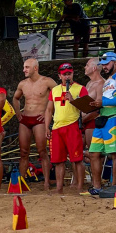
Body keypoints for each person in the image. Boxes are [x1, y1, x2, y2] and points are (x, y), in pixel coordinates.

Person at [44, 63, 88, 195]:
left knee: (77, 159)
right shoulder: (55, 90)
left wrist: (73, 99)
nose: (67, 76)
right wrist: (47, 127)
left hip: (72, 125)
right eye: (64, 74)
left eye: (69, 73)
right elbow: (49, 109)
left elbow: (86, 108)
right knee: (58, 160)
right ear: (59, 76)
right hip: (57, 127)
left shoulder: (81, 88)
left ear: (73, 74)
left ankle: (80, 186)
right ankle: (59, 188)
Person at [14, 58, 57, 190]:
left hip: (40, 119)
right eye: (24, 67)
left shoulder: (47, 81)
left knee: (42, 151)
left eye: (27, 67)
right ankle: (22, 181)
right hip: (26, 118)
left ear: (35, 68)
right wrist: (18, 113)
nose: (24, 70)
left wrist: (48, 113)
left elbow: (58, 96)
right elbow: (15, 98)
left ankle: (46, 182)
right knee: (23, 152)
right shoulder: (22, 84)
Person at [88, 52, 116, 195]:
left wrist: (103, 102)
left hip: (114, 119)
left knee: (114, 154)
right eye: (103, 65)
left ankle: (114, 186)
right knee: (94, 153)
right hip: (102, 119)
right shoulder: (108, 79)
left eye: (107, 64)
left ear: (115, 62)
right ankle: (97, 187)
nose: (104, 67)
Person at [82, 58, 105, 150]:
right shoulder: (89, 83)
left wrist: (84, 120)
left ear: (94, 68)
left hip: (93, 121)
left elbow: (98, 107)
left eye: (87, 65)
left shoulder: (101, 83)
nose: (85, 67)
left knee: (94, 153)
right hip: (84, 120)